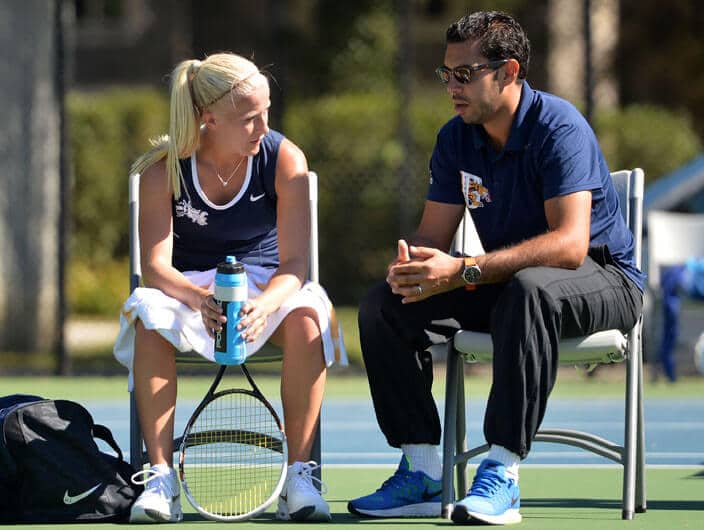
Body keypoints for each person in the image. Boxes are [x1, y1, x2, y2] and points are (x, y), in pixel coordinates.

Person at [347, 11, 643, 525]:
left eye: (465, 74)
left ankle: (502, 473)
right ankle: (422, 471)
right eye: (447, 74)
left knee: (532, 290)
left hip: (605, 279)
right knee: (383, 305)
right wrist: (414, 263)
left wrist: (462, 270)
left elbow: (570, 246)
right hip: (510, 284)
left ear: (507, 72)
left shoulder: (559, 126)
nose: (451, 87)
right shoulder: (455, 138)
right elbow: (432, 236)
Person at [112, 52, 346, 523]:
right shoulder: (165, 169)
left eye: (267, 113)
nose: (262, 127)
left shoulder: (284, 158)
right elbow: (155, 268)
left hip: (269, 284)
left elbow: (296, 264)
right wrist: (200, 300)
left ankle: (299, 477)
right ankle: (159, 478)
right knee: (148, 317)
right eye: (249, 119)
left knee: (307, 317)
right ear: (209, 119)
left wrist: (263, 305)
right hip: (186, 287)